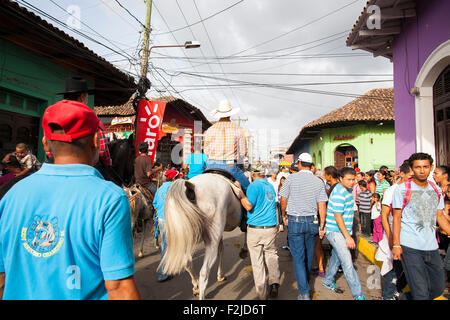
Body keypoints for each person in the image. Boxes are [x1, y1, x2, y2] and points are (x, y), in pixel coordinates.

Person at [0, 100, 140, 300]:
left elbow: (2, 278)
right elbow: (119, 288)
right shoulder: (111, 199)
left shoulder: (12, 195)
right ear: (95, 141)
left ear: (46, 144)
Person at [392, 153, 450, 300]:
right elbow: (396, 217)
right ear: (412, 169)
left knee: (438, 288)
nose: (422, 170)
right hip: (410, 247)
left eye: (425, 167)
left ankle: (405, 298)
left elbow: (440, 216)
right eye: (418, 167)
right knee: (421, 292)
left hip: (431, 246)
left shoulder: (436, 190)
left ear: (431, 168)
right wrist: (396, 244)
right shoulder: (402, 189)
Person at [279, 153, 328, 300]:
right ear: (311, 165)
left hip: (296, 221)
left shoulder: (291, 179)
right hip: (312, 222)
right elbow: (322, 206)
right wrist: (322, 225)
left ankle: (304, 292)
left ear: (300, 164)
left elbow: (283, 199)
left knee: (299, 258)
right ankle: (305, 284)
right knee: (308, 255)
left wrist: (283, 215)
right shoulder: (318, 181)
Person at [322, 167, 366, 300]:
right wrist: (348, 237)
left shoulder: (347, 190)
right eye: (349, 179)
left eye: (354, 179)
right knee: (347, 263)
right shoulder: (340, 193)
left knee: (336, 258)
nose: (352, 182)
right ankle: (358, 295)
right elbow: (338, 217)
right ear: (341, 179)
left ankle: (327, 281)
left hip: (342, 231)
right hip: (335, 232)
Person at [238, 164, 281, 299]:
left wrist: (240, 194)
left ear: (252, 173)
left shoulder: (253, 186)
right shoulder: (269, 186)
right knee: (271, 254)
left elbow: (249, 205)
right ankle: (274, 281)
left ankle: (262, 295)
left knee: (257, 262)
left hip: (256, 229)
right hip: (271, 227)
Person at [375, 160, 413, 300]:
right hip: (395, 236)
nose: (412, 180)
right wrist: (391, 238)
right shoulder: (392, 190)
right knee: (394, 268)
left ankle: (398, 290)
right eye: (410, 176)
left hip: (411, 238)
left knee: (411, 269)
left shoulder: (416, 189)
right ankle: (389, 296)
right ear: (401, 174)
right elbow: (384, 215)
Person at [203, 100, 249, 192]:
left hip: (211, 166)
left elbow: (206, 151)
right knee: (248, 188)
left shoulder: (210, 130)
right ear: (230, 114)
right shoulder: (237, 129)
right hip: (230, 166)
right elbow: (243, 153)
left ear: (219, 114)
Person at [152, 169, 180, 282]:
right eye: (177, 178)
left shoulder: (159, 189)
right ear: (173, 179)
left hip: (161, 219)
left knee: (165, 243)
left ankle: (170, 267)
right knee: (167, 245)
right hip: (170, 219)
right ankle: (163, 273)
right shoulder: (174, 188)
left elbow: (154, 205)